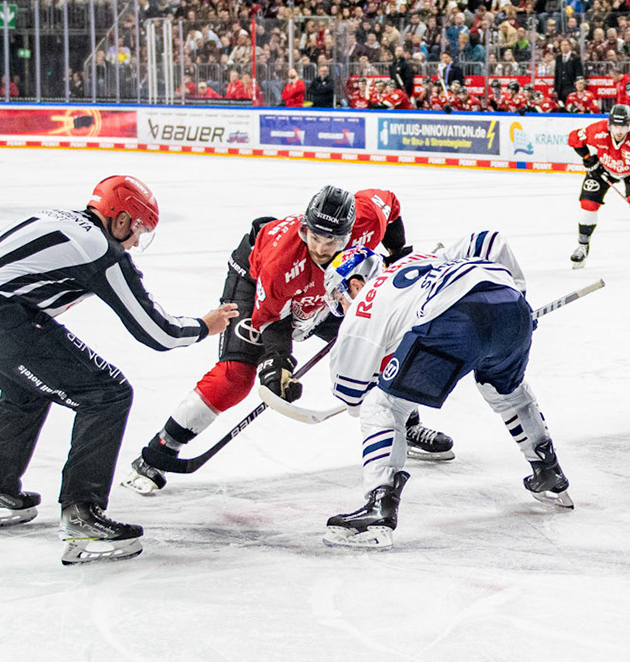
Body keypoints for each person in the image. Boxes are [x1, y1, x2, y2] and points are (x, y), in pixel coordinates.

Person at [0, 176, 239, 564]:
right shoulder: (100, 249)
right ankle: (83, 518)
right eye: (139, 229)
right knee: (107, 393)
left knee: (26, 388)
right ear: (121, 219)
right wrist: (204, 326)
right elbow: (156, 332)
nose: (136, 242)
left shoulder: (57, 218)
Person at [126, 186, 441, 494]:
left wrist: (397, 254)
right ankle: (158, 451)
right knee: (236, 375)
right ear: (305, 226)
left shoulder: (367, 219)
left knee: (385, 343)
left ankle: (406, 422)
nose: (320, 248)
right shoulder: (282, 260)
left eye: (331, 241)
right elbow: (272, 318)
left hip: (326, 287)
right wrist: (277, 363)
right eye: (314, 236)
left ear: (349, 235)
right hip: (256, 281)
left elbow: (390, 204)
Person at [325, 231, 570, 546]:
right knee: (506, 391)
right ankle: (548, 470)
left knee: (382, 406)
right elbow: (490, 240)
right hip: (510, 305)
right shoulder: (421, 260)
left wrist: (381, 376)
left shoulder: (364, 305)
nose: (342, 307)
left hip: (453, 321)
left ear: (355, 284)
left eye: (339, 298)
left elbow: (352, 396)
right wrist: (520, 296)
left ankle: (379, 507)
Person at [568, 104, 630, 268]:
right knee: (588, 204)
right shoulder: (598, 130)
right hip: (603, 170)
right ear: (609, 124)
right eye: (616, 126)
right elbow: (574, 138)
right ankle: (582, 246)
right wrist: (588, 158)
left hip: (629, 172)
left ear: (629, 125)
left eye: (623, 126)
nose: (619, 131)